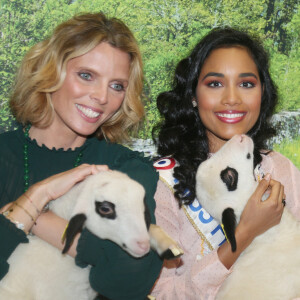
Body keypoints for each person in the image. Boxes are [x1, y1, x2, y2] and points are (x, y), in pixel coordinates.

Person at [0, 12, 163, 299]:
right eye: (86, 75)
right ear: (52, 70)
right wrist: (38, 194)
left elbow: (126, 280)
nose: (102, 97)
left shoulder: (127, 169)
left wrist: (30, 216)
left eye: (117, 86)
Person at [150, 28, 300, 299]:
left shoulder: (279, 168)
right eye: (215, 84)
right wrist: (242, 235)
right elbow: (165, 294)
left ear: (262, 94)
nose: (232, 98)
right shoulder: (162, 184)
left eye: (246, 84)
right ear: (193, 95)